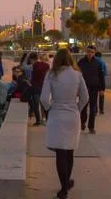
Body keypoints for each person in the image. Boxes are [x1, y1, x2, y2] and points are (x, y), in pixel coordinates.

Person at [41, 48, 89, 199]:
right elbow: (85, 97)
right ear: (70, 59)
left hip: (56, 114)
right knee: (69, 151)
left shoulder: (51, 74)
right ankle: (67, 182)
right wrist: (77, 109)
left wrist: (49, 110)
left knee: (60, 153)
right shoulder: (77, 75)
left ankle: (64, 188)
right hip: (72, 115)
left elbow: (43, 98)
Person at [77, 45, 105, 134]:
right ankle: (82, 122)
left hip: (94, 88)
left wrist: (102, 89)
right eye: (88, 51)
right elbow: (76, 76)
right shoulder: (81, 62)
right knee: (83, 107)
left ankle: (91, 127)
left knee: (93, 108)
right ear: (86, 51)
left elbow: (101, 77)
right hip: (83, 88)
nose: (90, 54)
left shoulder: (98, 63)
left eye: (92, 52)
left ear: (94, 53)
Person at [32, 53, 51, 122]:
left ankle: (38, 119)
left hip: (36, 85)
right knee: (43, 102)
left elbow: (33, 75)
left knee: (36, 103)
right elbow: (48, 77)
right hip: (44, 86)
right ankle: (44, 117)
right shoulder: (47, 66)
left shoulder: (35, 64)